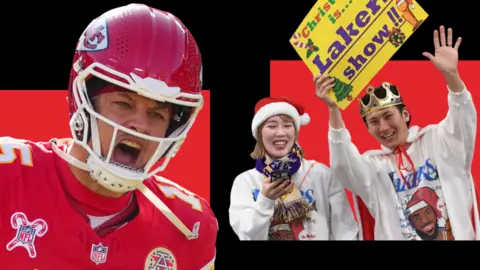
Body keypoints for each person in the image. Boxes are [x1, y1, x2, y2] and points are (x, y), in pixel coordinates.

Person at [0, 4, 218, 268]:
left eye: (157, 115)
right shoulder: (8, 176)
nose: (140, 125)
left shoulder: (190, 227)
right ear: (85, 102)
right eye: (123, 104)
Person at [315, 25, 480, 240]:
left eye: (388, 116)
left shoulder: (438, 140)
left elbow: (463, 118)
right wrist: (333, 108)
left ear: (406, 114)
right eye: (374, 121)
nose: (383, 127)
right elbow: (342, 164)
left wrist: (452, 75)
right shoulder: (373, 166)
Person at [228, 96, 358, 240]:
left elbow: (346, 233)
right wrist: (265, 199)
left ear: (295, 132)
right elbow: (247, 236)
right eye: (272, 126)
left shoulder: (321, 174)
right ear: (259, 133)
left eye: (287, 125)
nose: (281, 133)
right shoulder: (245, 181)